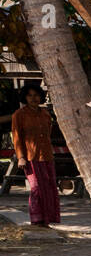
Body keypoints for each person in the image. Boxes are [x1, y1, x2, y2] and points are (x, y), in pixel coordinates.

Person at [10, 84, 60, 226]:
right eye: (30, 96)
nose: (33, 98)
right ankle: (37, 220)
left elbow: (48, 134)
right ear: (25, 97)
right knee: (36, 188)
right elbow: (17, 137)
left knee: (49, 188)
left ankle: (47, 220)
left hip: (47, 156)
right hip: (30, 158)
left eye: (36, 95)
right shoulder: (19, 115)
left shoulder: (45, 114)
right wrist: (21, 157)